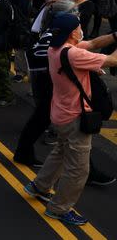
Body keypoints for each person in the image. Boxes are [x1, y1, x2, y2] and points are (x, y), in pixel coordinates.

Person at [24, 13, 117, 226]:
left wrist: (114, 35)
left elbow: (93, 43)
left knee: (61, 151)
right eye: (78, 26)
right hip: (75, 117)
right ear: (72, 32)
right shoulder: (74, 54)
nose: (81, 28)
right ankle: (59, 208)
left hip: (60, 115)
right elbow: (113, 60)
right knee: (78, 170)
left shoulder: (56, 49)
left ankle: (39, 186)